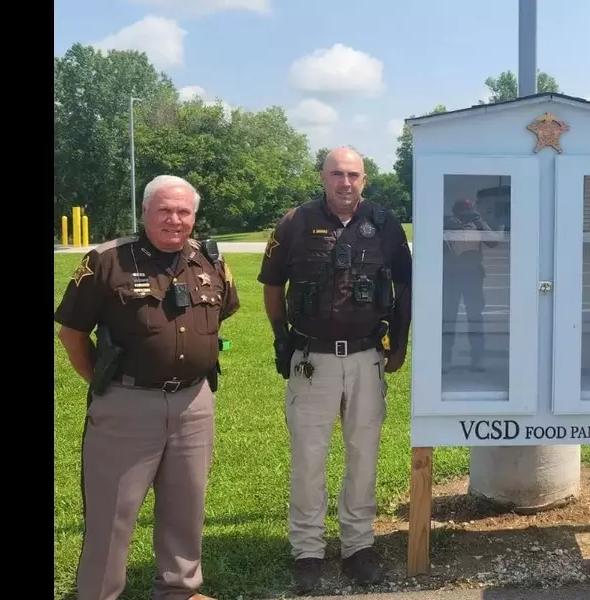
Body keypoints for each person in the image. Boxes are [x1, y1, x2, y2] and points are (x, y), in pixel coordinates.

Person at [55, 174, 240, 600]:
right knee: (112, 515)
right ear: (144, 212)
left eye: (184, 212)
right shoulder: (107, 261)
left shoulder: (209, 260)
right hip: (126, 405)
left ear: (194, 216)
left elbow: (219, 315)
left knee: (186, 507)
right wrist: (109, 384)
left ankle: (180, 591)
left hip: (194, 403)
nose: (174, 220)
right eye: (164, 210)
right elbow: (72, 334)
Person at [257, 146, 413, 594]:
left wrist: (398, 344)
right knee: (309, 457)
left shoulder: (385, 225)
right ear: (322, 177)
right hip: (313, 358)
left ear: (365, 179)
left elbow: (404, 287)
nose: (345, 182)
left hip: (366, 357)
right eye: (336, 174)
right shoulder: (295, 222)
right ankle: (308, 550)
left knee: (363, 455)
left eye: (353, 174)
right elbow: (271, 285)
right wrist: (281, 336)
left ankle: (357, 546)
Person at [441, 197, 497, 372]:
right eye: (463, 213)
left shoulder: (477, 224)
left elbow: (493, 241)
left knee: (475, 318)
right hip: (451, 276)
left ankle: (478, 358)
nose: (466, 217)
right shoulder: (449, 223)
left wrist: (479, 222)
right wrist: (454, 223)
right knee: (449, 318)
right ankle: (445, 359)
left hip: (473, 276)